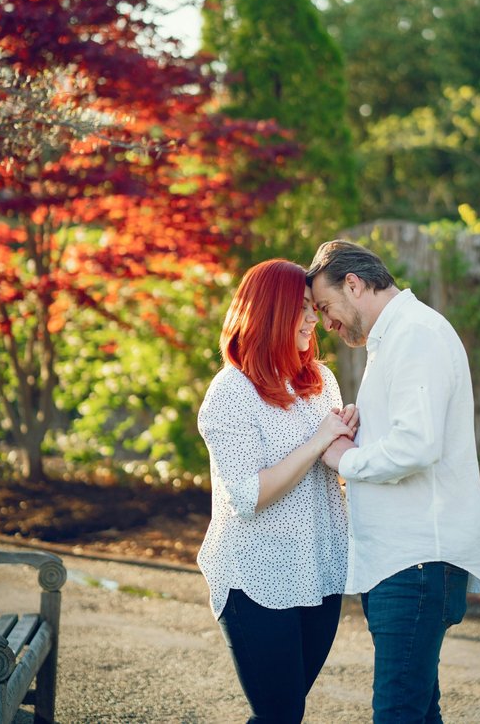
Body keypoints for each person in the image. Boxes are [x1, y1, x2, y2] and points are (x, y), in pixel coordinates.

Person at [306, 239, 480, 724]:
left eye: (326, 307)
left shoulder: (416, 333)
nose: (327, 324)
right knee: (416, 710)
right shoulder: (395, 337)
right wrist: (358, 428)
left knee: (397, 712)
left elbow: (417, 445)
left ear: (354, 283)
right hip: (401, 560)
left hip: (415, 561)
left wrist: (347, 458)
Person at [197, 258, 357, 724]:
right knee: (280, 713)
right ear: (269, 313)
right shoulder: (230, 393)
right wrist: (320, 440)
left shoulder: (320, 381)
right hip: (255, 580)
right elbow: (250, 495)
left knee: (284, 713)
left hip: (320, 573)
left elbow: (333, 462)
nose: (315, 319)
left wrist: (349, 441)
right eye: (303, 308)